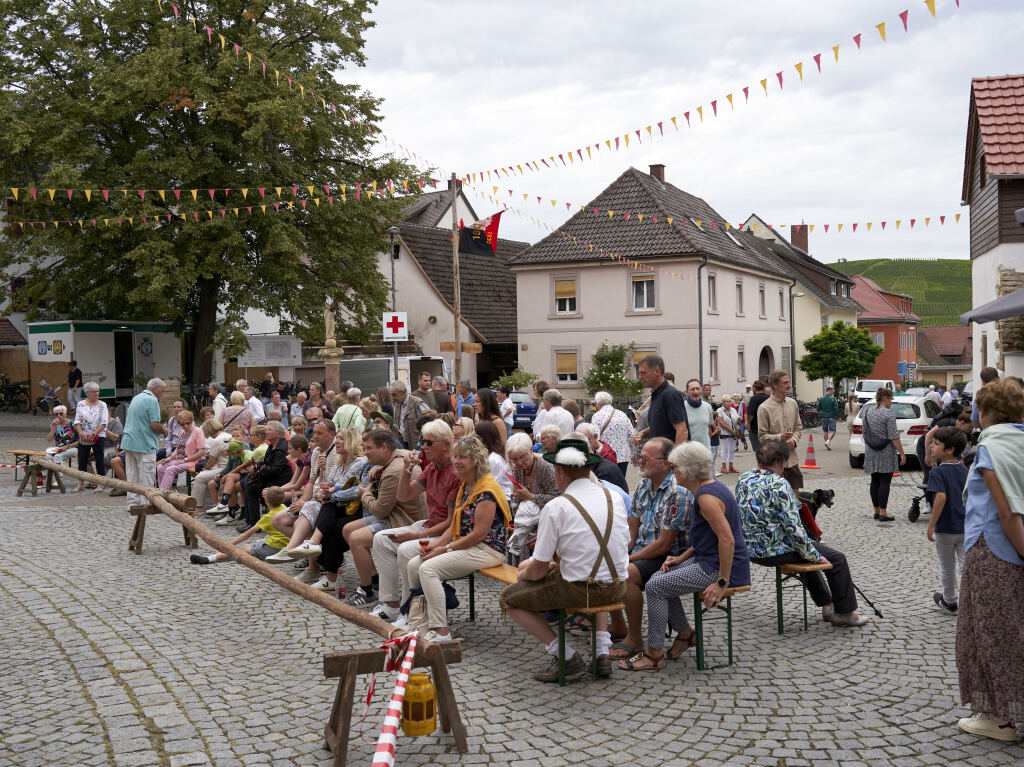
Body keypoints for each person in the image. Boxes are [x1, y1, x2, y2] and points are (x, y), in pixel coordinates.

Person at [501, 437, 629, 681]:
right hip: (617, 586)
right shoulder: (614, 497)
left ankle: (566, 656)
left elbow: (537, 571)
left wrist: (523, 571)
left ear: (559, 471)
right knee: (597, 570)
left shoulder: (558, 505)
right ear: (587, 468)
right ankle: (602, 654)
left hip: (580, 589)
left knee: (509, 598)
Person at [622, 441, 750, 671]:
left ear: (688, 470)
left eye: (675, 467)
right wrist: (680, 559)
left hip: (718, 566)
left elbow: (728, 539)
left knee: (656, 586)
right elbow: (708, 538)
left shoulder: (706, 498)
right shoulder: (706, 490)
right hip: (709, 559)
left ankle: (654, 653)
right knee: (662, 576)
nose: (673, 472)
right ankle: (685, 634)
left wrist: (722, 581)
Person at [955, 378, 1024, 742]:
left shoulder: (990, 448)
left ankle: (1001, 722)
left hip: (994, 550)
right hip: (1012, 547)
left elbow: (1007, 510)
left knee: (990, 633)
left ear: (986, 412)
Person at [736, 439, 869, 627]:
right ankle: (845, 613)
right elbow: (794, 530)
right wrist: (815, 556)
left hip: (751, 549)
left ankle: (827, 603)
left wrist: (811, 554)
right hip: (774, 551)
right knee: (836, 558)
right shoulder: (780, 484)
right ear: (782, 461)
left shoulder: (744, 479)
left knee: (806, 552)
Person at [403, 436, 510, 643]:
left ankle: (441, 632)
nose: (458, 461)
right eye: (456, 457)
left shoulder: (486, 489)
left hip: (488, 550)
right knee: (414, 564)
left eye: (464, 457)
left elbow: (479, 534)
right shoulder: (467, 485)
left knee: (428, 569)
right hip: (471, 545)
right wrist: (433, 546)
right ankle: (419, 623)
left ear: (476, 460)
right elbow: (455, 527)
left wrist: (444, 549)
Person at [369, 419, 462, 626]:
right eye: (423, 442)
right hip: (429, 525)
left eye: (429, 443)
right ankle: (391, 605)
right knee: (381, 539)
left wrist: (416, 536)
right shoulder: (433, 468)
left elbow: (451, 523)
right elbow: (404, 495)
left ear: (446, 444)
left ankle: (408, 610)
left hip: (445, 532)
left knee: (405, 549)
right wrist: (407, 469)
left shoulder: (455, 472)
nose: (424, 447)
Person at [608, 437, 692, 662]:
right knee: (607, 564)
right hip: (645, 550)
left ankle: (634, 639)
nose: (640, 461)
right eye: (640, 456)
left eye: (646, 458)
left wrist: (630, 558)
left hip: (670, 555)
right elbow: (632, 527)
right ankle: (618, 626)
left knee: (626, 574)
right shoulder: (644, 485)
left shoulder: (678, 491)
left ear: (667, 463)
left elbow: (664, 545)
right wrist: (622, 551)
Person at [340, 430, 428, 607]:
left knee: (357, 539)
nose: (365, 453)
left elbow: (379, 510)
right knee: (347, 529)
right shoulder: (398, 458)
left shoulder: (393, 472)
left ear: (384, 448)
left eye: (369, 448)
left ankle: (366, 591)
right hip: (394, 514)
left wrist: (364, 495)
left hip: (405, 522)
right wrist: (380, 469)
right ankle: (374, 580)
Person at [925, 426, 969, 613]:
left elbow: (940, 498)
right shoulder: (965, 469)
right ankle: (972, 600)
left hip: (945, 527)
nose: (931, 447)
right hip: (966, 525)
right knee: (966, 565)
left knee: (947, 565)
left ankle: (950, 600)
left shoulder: (938, 472)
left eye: (936, 444)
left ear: (950, 449)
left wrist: (931, 524)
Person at [191, 486, 290, 564]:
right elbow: (277, 495)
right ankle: (254, 554)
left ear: (266, 500)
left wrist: (229, 545)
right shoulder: (284, 507)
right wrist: (271, 493)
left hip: (274, 548)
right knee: (252, 546)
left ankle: (210, 558)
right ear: (282, 499)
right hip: (286, 545)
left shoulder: (268, 517)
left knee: (238, 549)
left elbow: (247, 534)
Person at [504, 432, 559, 561]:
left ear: (530, 449)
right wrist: (517, 497)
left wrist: (531, 496)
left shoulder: (545, 467)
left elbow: (558, 499)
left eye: (522, 457)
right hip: (525, 528)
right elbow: (517, 500)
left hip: (545, 528)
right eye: (514, 459)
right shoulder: (517, 469)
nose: (518, 462)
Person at [120, 379, 167, 507]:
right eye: (162, 391)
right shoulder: (152, 400)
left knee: (132, 476)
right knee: (146, 476)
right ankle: (145, 504)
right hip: (144, 443)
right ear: (156, 389)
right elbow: (154, 425)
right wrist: (165, 431)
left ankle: (132, 504)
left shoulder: (136, 398)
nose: (162, 394)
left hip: (129, 442)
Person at [862, 388, 906, 522]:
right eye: (891, 399)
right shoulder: (888, 414)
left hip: (871, 450)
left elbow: (865, 432)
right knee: (885, 481)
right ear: (885, 398)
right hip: (886, 451)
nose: (891, 402)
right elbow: (893, 436)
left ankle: (876, 511)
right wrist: (902, 453)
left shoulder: (868, 412)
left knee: (875, 480)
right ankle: (883, 512)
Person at [757, 370, 804, 491]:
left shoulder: (793, 404)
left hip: (792, 461)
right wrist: (779, 438)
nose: (789, 385)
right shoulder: (764, 408)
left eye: (789, 382)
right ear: (775, 385)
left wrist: (794, 440)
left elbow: (798, 428)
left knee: (795, 503)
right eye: (785, 383)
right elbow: (762, 437)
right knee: (776, 503)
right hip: (772, 464)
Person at [239, 420, 292, 528]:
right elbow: (267, 463)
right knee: (248, 484)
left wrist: (260, 470)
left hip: (280, 480)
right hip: (271, 477)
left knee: (251, 488)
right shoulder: (272, 446)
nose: (266, 432)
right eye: (266, 429)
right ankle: (250, 521)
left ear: (278, 433)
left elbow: (277, 469)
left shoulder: (281, 448)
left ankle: (253, 523)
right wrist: (258, 466)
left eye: (269, 430)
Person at [634, 355, 688, 446]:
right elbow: (661, 426)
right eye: (639, 373)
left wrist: (674, 459)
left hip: (669, 457)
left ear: (657, 371)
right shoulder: (656, 394)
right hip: (659, 457)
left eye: (643, 373)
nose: (640, 377)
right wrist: (642, 433)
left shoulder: (670, 394)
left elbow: (682, 430)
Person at [71, 382, 108, 491]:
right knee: (82, 459)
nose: (97, 393)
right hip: (84, 435)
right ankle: (80, 483)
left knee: (99, 459)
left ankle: (100, 484)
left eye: (98, 391)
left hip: (98, 435)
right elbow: (77, 420)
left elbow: (104, 422)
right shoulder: (81, 404)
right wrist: (80, 433)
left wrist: (94, 433)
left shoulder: (102, 405)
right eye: (94, 391)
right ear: (87, 393)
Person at [156, 410, 206, 490]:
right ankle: (164, 490)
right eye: (182, 424)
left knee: (170, 470)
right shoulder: (182, 432)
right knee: (160, 468)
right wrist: (169, 459)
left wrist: (185, 460)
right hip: (180, 459)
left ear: (192, 421)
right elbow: (179, 450)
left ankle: (163, 493)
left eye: (188, 423)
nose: (185, 426)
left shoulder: (198, 431)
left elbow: (201, 452)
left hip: (193, 461)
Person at [573, 425, 628, 493]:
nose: (583, 444)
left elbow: (606, 490)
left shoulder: (608, 457)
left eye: (587, 440)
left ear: (595, 436)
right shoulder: (596, 451)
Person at [590, 391, 634, 476]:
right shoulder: (622, 414)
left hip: (606, 456)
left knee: (607, 482)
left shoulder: (597, 416)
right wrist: (634, 453)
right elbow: (631, 434)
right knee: (620, 481)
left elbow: (596, 438)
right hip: (623, 456)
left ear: (598, 403)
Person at [475, 419, 514, 501]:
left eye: (476, 436)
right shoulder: (492, 455)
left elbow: (489, 486)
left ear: (482, 438)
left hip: (501, 500)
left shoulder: (494, 459)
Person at [389, 380, 430, 451]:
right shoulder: (398, 404)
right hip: (403, 444)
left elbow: (430, 421)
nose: (393, 398)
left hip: (417, 445)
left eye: (394, 395)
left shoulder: (417, 403)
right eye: (391, 395)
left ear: (403, 393)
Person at [474, 387, 508, 454]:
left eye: (477, 401)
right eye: (473, 401)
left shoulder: (497, 421)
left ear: (487, 402)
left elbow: (503, 446)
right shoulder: (478, 420)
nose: (474, 404)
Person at [46, 404, 79, 469]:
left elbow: (80, 440)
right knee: (48, 456)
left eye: (61, 413)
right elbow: (49, 440)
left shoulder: (72, 424)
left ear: (65, 414)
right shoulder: (54, 425)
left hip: (72, 447)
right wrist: (53, 427)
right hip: (59, 449)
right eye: (56, 414)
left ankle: (59, 478)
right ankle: (44, 477)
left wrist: (68, 446)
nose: (59, 416)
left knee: (58, 456)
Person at [716, 396, 742, 474]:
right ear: (723, 402)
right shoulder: (719, 410)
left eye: (729, 401)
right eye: (726, 401)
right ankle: (723, 466)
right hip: (725, 432)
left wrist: (739, 420)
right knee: (725, 449)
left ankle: (731, 466)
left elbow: (737, 422)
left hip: (734, 432)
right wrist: (731, 430)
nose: (728, 403)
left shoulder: (733, 410)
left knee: (732, 449)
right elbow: (721, 423)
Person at [745, 381, 769, 454]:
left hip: (756, 429)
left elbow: (750, 414)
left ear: (754, 388)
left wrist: (748, 423)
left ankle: (763, 465)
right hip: (768, 428)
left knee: (759, 451)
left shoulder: (754, 399)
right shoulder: (768, 398)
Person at [817, 386, 841, 450]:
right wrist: (838, 417)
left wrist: (821, 415)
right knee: (833, 430)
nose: (833, 392)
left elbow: (818, 409)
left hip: (823, 417)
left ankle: (827, 444)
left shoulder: (821, 399)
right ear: (830, 391)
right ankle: (828, 441)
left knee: (825, 430)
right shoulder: (833, 399)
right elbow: (836, 408)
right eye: (832, 391)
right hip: (831, 417)